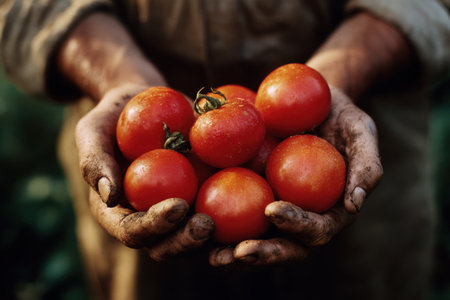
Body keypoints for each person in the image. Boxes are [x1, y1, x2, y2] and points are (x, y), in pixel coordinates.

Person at [1, 0, 449, 299]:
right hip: (145, 213)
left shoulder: (243, 129)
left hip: (367, 206)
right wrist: (118, 78)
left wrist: (339, 77)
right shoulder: (202, 131)